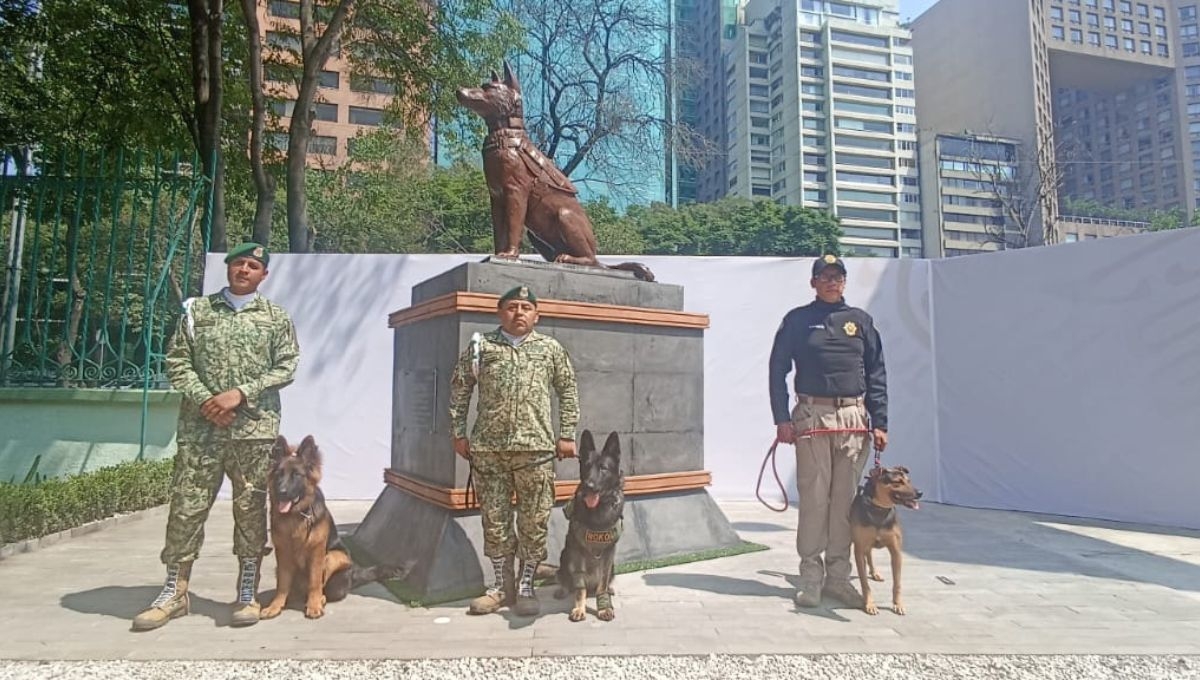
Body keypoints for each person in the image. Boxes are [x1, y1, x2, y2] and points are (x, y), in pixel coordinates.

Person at [132, 242, 300, 631]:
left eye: (252, 265)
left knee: (250, 510)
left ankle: (247, 591)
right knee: (186, 508)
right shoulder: (198, 311)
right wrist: (208, 400)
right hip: (200, 428)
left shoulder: (275, 317)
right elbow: (177, 360)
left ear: (264, 275)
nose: (244, 269)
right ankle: (175, 590)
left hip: (253, 432)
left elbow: (288, 365)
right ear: (228, 268)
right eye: (238, 263)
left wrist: (240, 394)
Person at [448, 284, 579, 617]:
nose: (518, 312)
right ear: (499, 312)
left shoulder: (550, 348)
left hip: (535, 451)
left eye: (525, 307)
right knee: (495, 521)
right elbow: (461, 390)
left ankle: (526, 585)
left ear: (537, 315)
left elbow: (567, 391)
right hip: (489, 450)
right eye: (511, 307)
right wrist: (458, 433)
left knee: (534, 522)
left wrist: (566, 434)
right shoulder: (482, 347)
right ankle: (499, 586)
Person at [768, 254, 888, 609]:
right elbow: (778, 370)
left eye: (838, 277)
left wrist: (881, 422)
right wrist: (781, 419)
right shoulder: (797, 320)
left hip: (853, 417)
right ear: (813, 283)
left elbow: (877, 374)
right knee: (815, 499)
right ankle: (810, 576)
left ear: (845, 282)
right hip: (813, 416)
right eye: (825, 277)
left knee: (846, 503)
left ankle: (839, 578)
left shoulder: (861, 321)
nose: (832, 282)